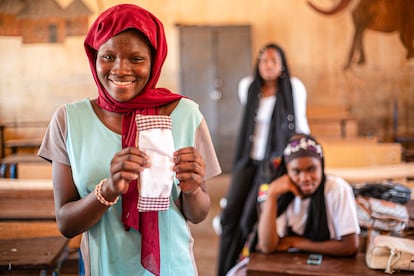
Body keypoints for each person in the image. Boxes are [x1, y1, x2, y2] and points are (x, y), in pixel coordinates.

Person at [38, 4, 221, 276]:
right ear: (94, 57)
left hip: (173, 268)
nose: (120, 69)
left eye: (136, 59)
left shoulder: (185, 115)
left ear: (154, 61)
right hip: (106, 269)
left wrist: (193, 188)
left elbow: (197, 214)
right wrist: (109, 189)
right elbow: (66, 223)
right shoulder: (68, 121)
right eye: (108, 56)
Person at [217, 43, 310, 276]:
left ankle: (241, 268)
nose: (268, 66)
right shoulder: (248, 87)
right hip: (247, 161)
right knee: (230, 215)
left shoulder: (293, 88)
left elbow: (299, 124)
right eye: (263, 61)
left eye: (273, 61)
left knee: (248, 217)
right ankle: (223, 269)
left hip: (271, 164)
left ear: (282, 65)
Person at [226, 134, 360, 276]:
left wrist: (294, 242)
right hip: (287, 266)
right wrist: (271, 195)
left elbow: (350, 246)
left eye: (311, 169)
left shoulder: (337, 189)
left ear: (321, 165)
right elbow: (267, 246)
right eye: (296, 171)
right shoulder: (283, 194)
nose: (305, 178)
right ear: (287, 171)